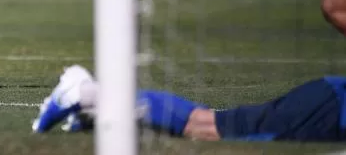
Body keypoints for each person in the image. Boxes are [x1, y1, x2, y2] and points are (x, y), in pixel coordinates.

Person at [33, 65, 346, 142]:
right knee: (207, 126)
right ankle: (83, 94)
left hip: (331, 94)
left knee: (211, 124)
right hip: (332, 104)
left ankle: (95, 109)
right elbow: (334, 7)